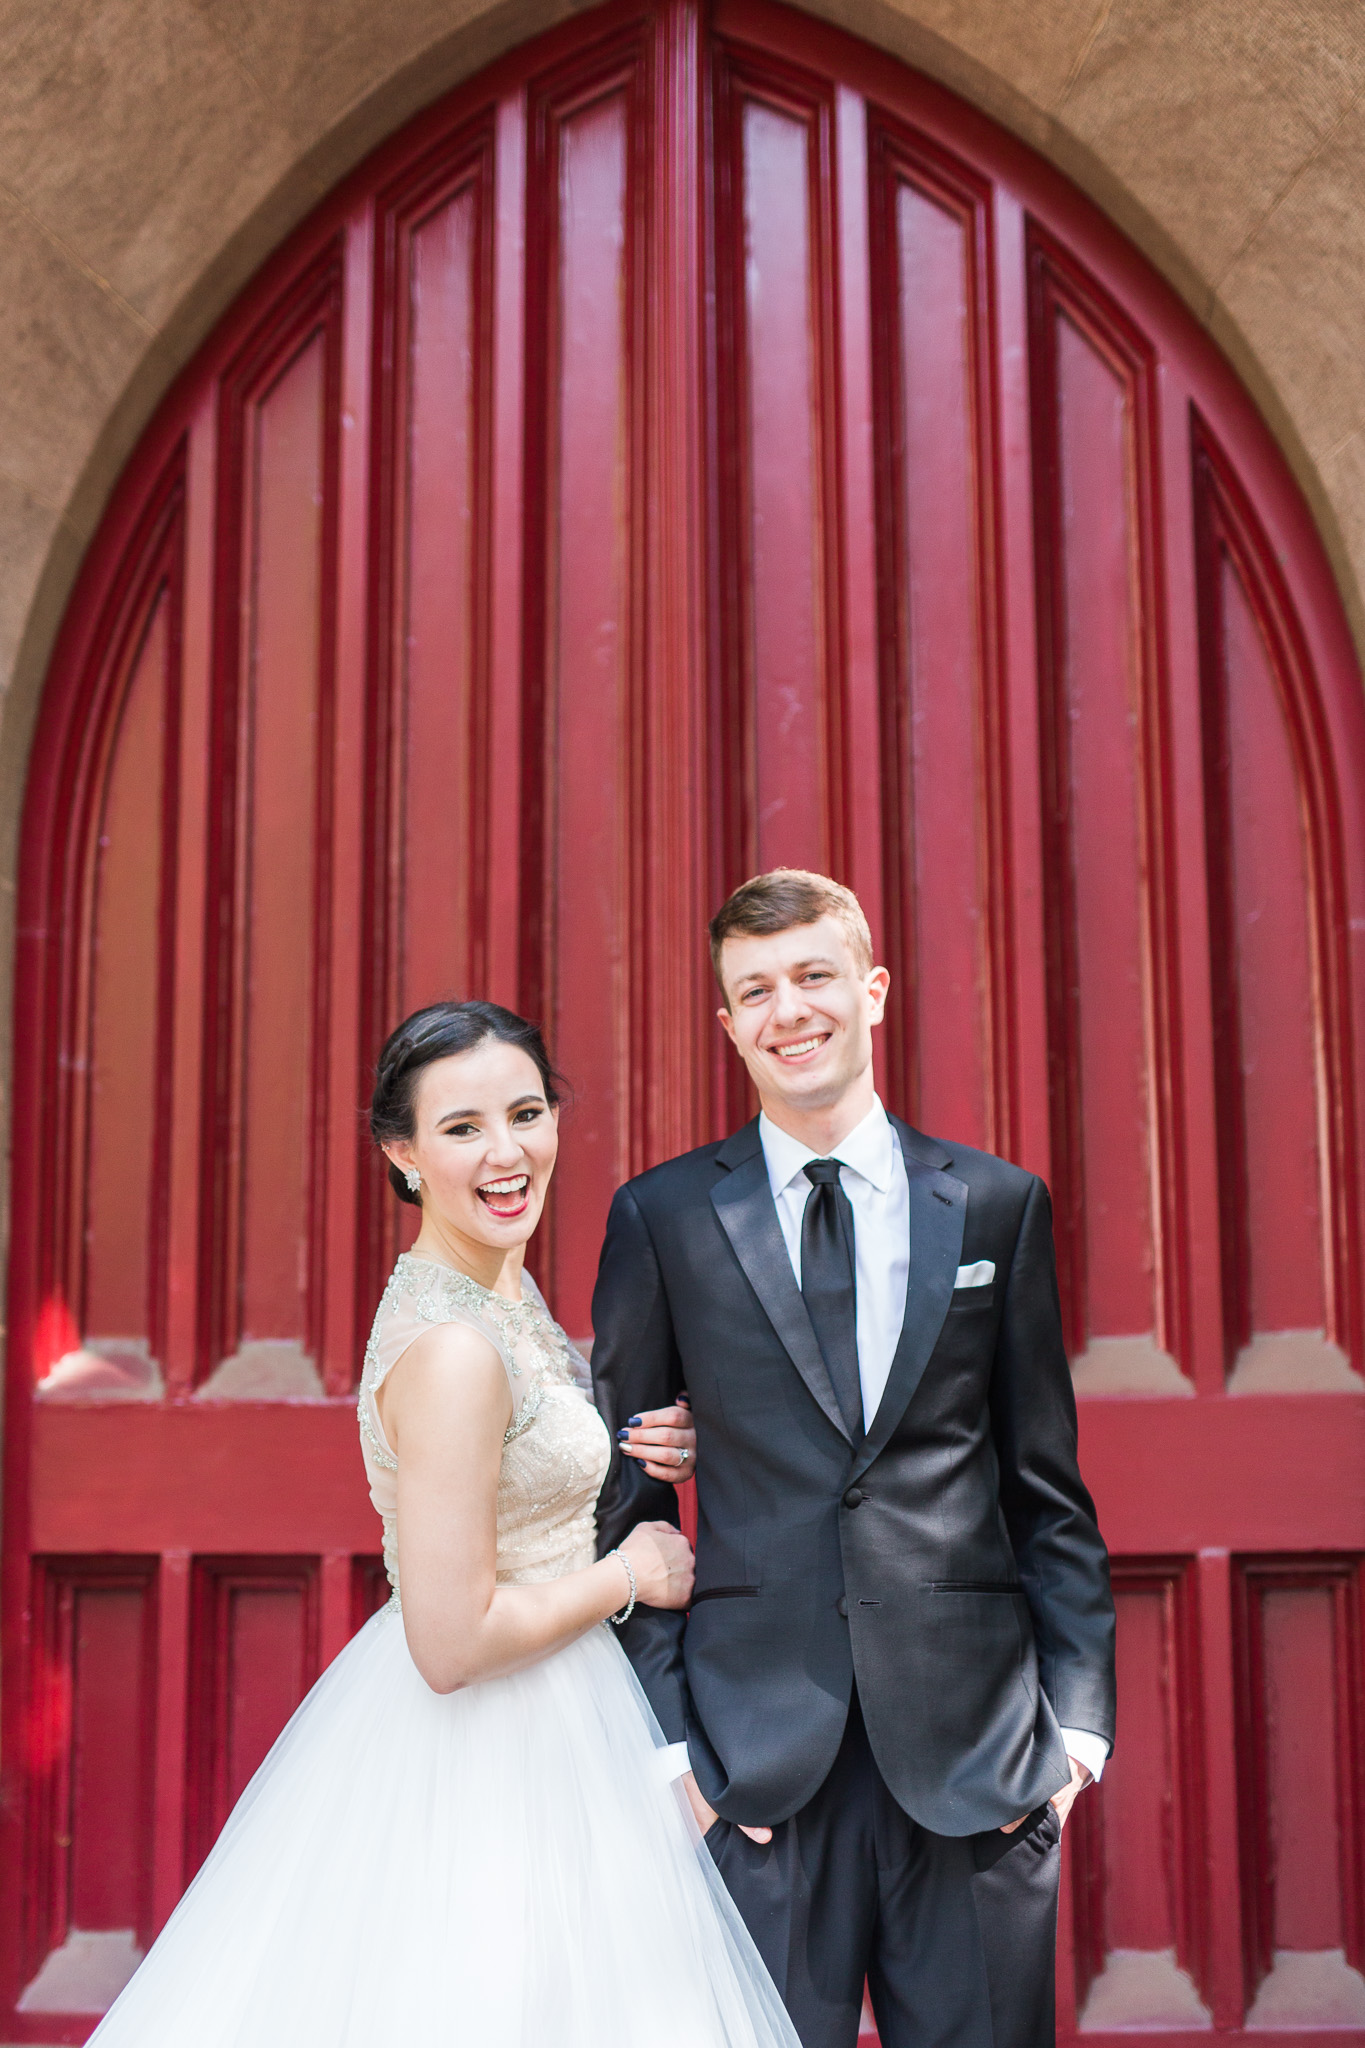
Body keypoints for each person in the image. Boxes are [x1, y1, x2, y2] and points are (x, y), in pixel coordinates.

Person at [89, 1000, 800, 2048]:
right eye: (463, 1127)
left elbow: (524, 1475)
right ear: (402, 1151)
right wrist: (634, 1570)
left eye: (526, 1111)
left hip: (572, 1715)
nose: (507, 1152)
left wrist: (641, 1447)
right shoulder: (454, 1347)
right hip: (492, 1747)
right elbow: (450, 1641)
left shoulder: (494, 1299)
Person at [592, 869, 1117, 2048]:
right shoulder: (663, 1216)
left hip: (980, 1769)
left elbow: (1048, 1490)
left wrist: (1074, 1739)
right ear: (727, 1023)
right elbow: (622, 1505)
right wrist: (679, 1752)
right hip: (755, 1767)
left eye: (815, 975)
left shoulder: (993, 1204)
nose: (790, 1010)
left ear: (871, 990)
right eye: (756, 990)